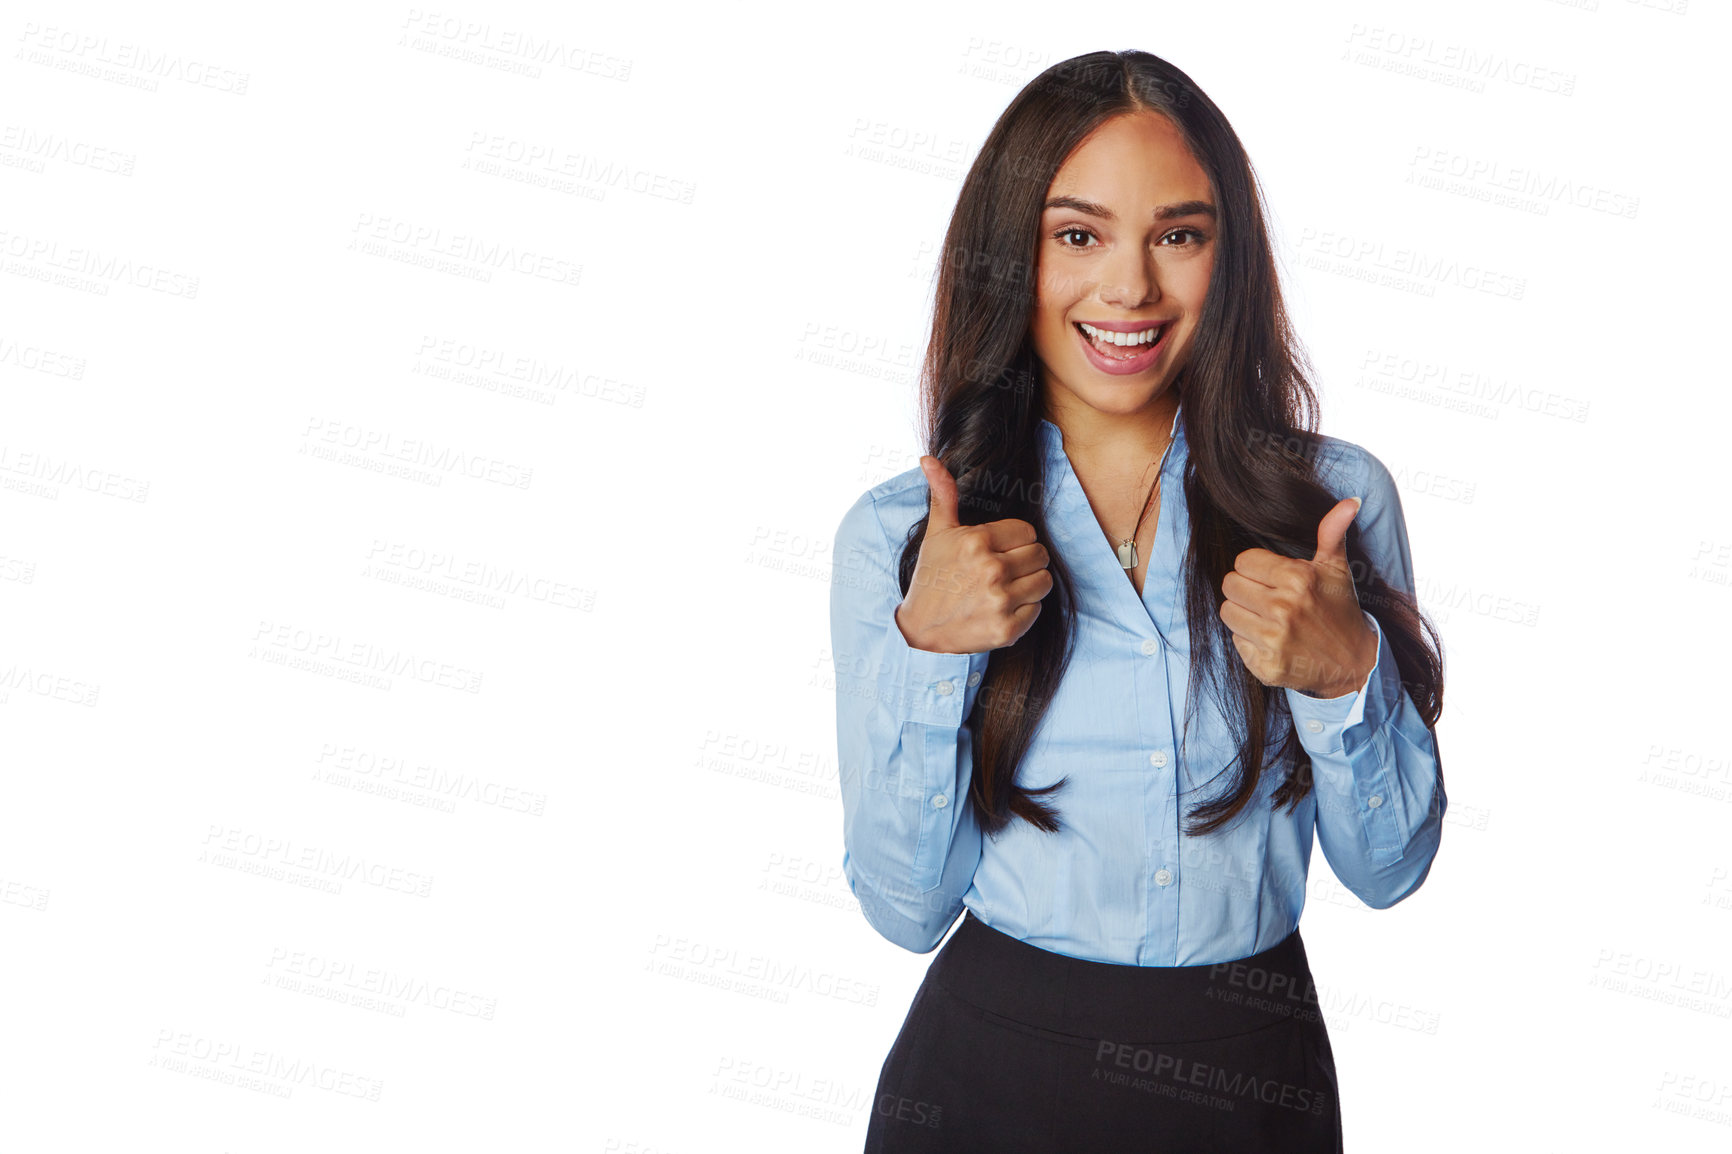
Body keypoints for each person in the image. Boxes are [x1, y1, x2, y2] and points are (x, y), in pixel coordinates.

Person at [828, 50, 1447, 1152]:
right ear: (1011, 254)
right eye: (1078, 235)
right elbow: (903, 908)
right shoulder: (905, 536)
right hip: (986, 1074)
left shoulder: (1333, 506)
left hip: (1254, 1073)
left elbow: (1390, 871)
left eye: (1177, 234)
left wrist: (1343, 674)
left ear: (1229, 255)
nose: (1129, 288)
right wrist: (930, 650)